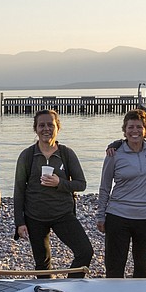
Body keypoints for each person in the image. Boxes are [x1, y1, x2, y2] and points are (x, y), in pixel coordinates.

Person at [14, 108, 92, 277]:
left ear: (58, 127)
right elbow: (19, 190)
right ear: (36, 129)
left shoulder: (66, 154)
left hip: (62, 214)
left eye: (50, 124)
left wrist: (60, 183)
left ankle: (70, 288)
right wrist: (19, 222)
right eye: (41, 125)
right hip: (35, 216)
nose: (46, 129)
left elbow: (81, 184)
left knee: (85, 251)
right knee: (42, 264)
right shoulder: (27, 156)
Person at [97, 109, 146, 278]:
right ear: (124, 130)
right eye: (130, 127)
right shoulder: (114, 154)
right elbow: (105, 187)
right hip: (118, 216)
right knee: (114, 267)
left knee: (142, 267)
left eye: (139, 127)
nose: (135, 131)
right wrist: (100, 215)